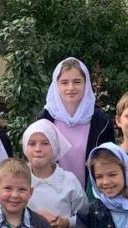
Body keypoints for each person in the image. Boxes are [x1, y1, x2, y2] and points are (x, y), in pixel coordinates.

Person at [39, 57, 116, 189]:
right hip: (53, 194)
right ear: (56, 86)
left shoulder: (102, 122)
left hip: (92, 194)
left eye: (77, 82)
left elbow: (110, 163)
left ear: (86, 84)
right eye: (64, 82)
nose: (71, 88)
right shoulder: (45, 120)